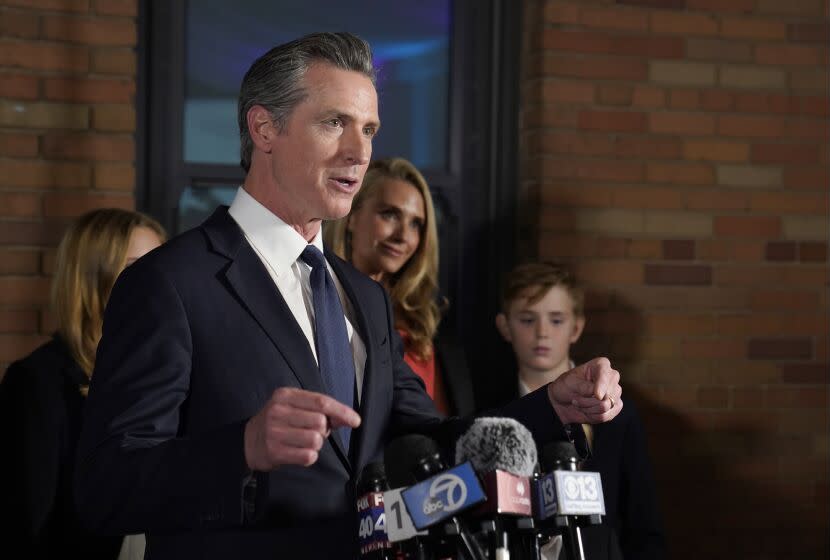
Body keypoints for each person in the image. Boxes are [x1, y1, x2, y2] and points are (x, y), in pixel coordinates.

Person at [73, 32, 623, 559]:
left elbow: (427, 444)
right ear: (264, 128)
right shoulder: (169, 281)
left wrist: (551, 407)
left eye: (370, 129)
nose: (360, 152)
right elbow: (105, 487)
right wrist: (242, 447)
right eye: (335, 123)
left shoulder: (365, 296)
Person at [0, 208, 166, 560]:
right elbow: (27, 523)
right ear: (92, 277)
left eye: (161, 264)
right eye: (136, 265)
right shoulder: (37, 381)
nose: (159, 280)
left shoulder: (163, 373)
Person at [495, 261, 666, 560]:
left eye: (556, 320)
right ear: (504, 326)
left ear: (576, 328)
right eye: (527, 319)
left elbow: (643, 524)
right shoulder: (489, 411)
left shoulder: (616, 413)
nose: (542, 333)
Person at [325, 156, 475, 416]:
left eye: (416, 223)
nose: (403, 236)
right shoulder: (319, 301)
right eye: (390, 214)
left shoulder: (427, 327)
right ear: (351, 216)